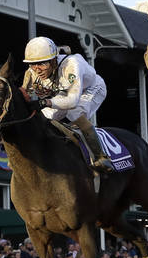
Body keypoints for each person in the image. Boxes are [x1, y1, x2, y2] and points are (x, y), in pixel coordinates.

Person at [22, 36, 114, 173]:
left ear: (53, 60)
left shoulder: (71, 65)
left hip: (91, 88)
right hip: (66, 92)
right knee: (46, 116)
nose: (37, 69)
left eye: (42, 63)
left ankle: (101, 157)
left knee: (74, 112)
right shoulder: (31, 73)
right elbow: (23, 95)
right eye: (33, 64)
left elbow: (72, 101)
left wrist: (45, 101)